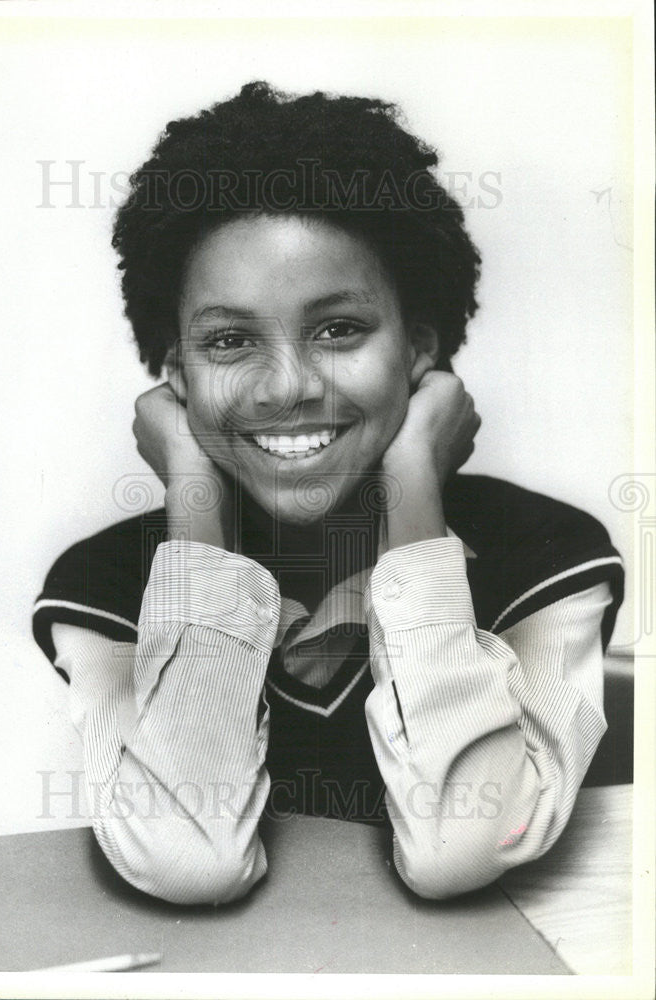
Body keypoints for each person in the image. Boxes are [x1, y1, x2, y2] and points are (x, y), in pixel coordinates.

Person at [32, 81, 624, 905]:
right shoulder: (100, 587)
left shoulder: (548, 554)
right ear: (177, 377)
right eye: (230, 341)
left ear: (419, 348)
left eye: (338, 328)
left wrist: (414, 492)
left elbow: (462, 844)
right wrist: (194, 503)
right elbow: (185, 858)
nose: (288, 387)